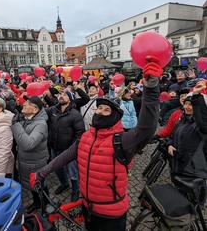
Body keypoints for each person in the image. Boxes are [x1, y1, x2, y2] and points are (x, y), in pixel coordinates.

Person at [31, 62, 162, 231]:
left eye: (106, 110)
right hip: (87, 207)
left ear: (115, 117)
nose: (99, 112)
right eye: (98, 108)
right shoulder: (86, 136)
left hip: (111, 214)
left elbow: (147, 128)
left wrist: (151, 89)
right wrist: (42, 173)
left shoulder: (122, 140)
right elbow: (64, 157)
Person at [11, 96, 49, 213]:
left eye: (27, 104)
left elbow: (28, 144)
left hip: (36, 163)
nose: (24, 105)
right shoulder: (27, 119)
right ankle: (37, 203)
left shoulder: (41, 124)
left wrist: (16, 125)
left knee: (40, 187)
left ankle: (45, 207)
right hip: (27, 162)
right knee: (32, 186)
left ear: (35, 109)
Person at [46, 90, 85, 201]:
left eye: (65, 95)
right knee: (57, 168)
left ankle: (75, 190)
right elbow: (40, 112)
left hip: (69, 149)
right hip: (54, 147)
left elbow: (80, 133)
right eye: (60, 94)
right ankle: (64, 184)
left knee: (73, 172)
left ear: (70, 98)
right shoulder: (52, 110)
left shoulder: (75, 114)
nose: (61, 96)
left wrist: (72, 148)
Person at [167, 81, 207, 181]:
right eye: (186, 103)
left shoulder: (200, 125)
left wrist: (197, 96)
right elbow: (172, 136)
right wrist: (170, 144)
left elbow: (203, 123)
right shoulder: (181, 120)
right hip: (178, 167)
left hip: (193, 173)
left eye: (191, 104)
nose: (186, 107)